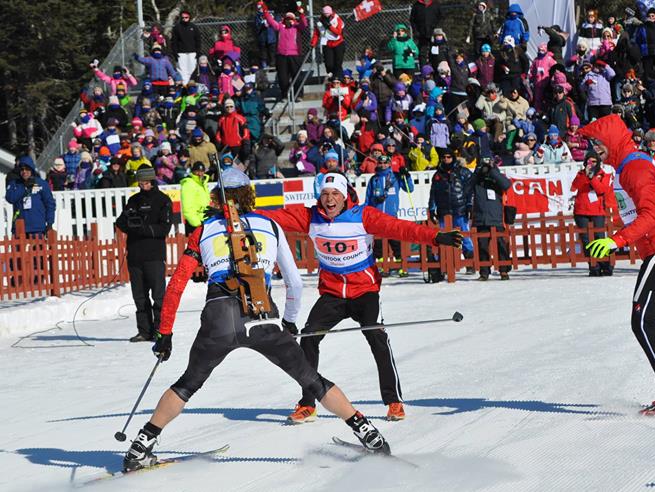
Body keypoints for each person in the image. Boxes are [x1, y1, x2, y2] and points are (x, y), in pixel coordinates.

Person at [122, 169, 392, 471]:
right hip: (262, 317)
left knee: (188, 384)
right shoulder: (270, 225)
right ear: (249, 195)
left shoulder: (203, 230)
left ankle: (142, 444)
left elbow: (176, 286)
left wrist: (164, 333)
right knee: (312, 381)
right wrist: (289, 323)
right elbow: (295, 282)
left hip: (218, 318)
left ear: (216, 196)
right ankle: (367, 432)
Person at [256, 172, 463, 423]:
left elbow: (400, 228)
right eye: (325, 194)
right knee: (308, 338)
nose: (329, 199)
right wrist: (232, 217)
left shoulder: (364, 216)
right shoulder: (310, 217)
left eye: (335, 194)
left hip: (365, 291)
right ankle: (308, 404)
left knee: (376, 337)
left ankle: (393, 401)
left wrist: (435, 237)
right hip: (332, 293)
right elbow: (271, 216)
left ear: (345, 196)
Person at [578, 114, 655, 416]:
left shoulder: (634, 166)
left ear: (613, 139)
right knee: (648, 319)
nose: (595, 148)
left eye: (598, 142)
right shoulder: (626, 166)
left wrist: (615, 241)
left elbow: (650, 215)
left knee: (642, 320)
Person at [115, 165, 172, 343]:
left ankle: (159, 331)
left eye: (146, 182)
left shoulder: (163, 200)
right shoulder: (133, 200)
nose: (143, 185)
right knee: (139, 297)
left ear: (153, 181)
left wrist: (143, 228)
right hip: (135, 254)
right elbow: (121, 222)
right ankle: (144, 331)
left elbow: (164, 228)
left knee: (158, 296)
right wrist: (130, 224)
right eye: (140, 182)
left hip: (154, 254)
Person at [366, 156, 414, 276]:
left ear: (389, 164)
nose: (382, 165)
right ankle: (382, 268)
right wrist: (371, 206)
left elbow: (410, 189)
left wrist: (407, 176)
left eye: (385, 163)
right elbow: (368, 199)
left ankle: (401, 267)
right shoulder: (374, 179)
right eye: (380, 163)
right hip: (377, 216)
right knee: (378, 244)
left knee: (395, 242)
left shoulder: (395, 177)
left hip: (391, 215)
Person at [428, 148, 474, 267]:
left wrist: (470, 205)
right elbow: (433, 193)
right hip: (444, 211)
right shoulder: (437, 175)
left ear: (453, 158)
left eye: (449, 157)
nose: (446, 159)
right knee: (444, 237)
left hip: (460, 209)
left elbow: (470, 191)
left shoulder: (463, 172)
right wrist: (432, 209)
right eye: (444, 157)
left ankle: (470, 262)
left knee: (464, 236)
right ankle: (446, 262)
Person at [571, 151, 614, 276]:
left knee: (600, 238)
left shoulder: (603, 175)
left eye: (594, 161)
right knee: (586, 240)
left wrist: (592, 178)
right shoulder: (580, 174)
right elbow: (575, 186)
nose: (592, 164)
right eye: (590, 161)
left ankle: (605, 265)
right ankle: (593, 265)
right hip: (581, 210)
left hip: (597, 211)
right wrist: (585, 175)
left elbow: (601, 190)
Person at [260, 1, 308, 100]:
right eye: (287, 19)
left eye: (291, 19)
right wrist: (265, 9)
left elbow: (304, 24)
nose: (289, 21)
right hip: (281, 56)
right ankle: (284, 94)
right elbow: (270, 21)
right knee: (283, 78)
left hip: (295, 55)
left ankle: (298, 94)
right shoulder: (280, 27)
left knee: (297, 76)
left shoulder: (297, 27)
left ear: (294, 20)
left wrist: (301, 14)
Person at [5, 156, 56, 236]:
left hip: (37, 227)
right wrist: (24, 186)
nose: (24, 171)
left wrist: (49, 223)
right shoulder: (14, 183)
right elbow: (10, 198)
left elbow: (50, 204)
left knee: (39, 249)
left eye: (27, 169)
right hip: (19, 227)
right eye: (22, 169)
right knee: (18, 249)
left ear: (31, 169)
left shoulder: (41, 183)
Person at [312, 5, 346, 80]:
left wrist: (329, 26)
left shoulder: (337, 19)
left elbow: (338, 32)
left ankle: (338, 79)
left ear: (331, 13)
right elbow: (316, 33)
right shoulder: (319, 21)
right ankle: (332, 75)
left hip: (339, 43)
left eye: (328, 14)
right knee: (329, 64)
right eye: (325, 14)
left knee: (338, 64)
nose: (327, 15)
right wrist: (313, 43)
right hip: (327, 44)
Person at [171, 9, 201, 85]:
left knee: (192, 70)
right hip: (181, 53)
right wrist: (175, 53)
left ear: (189, 17)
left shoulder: (194, 27)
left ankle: (191, 87)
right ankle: (185, 87)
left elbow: (198, 40)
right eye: (183, 17)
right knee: (182, 71)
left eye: (186, 17)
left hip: (192, 52)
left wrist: (198, 52)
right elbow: (174, 41)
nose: (185, 19)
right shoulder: (177, 28)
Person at [180, 162, 210, 236]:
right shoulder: (189, 184)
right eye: (197, 171)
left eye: (202, 171)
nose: (200, 174)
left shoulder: (202, 183)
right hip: (195, 223)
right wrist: (196, 222)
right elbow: (187, 207)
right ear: (193, 171)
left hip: (204, 221)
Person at [410, 0, 442, 65]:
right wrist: (416, 31)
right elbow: (412, 20)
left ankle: (435, 69)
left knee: (435, 52)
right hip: (421, 34)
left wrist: (437, 30)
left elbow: (441, 17)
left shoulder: (435, 4)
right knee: (422, 53)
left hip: (433, 34)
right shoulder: (417, 5)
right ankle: (424, 70)